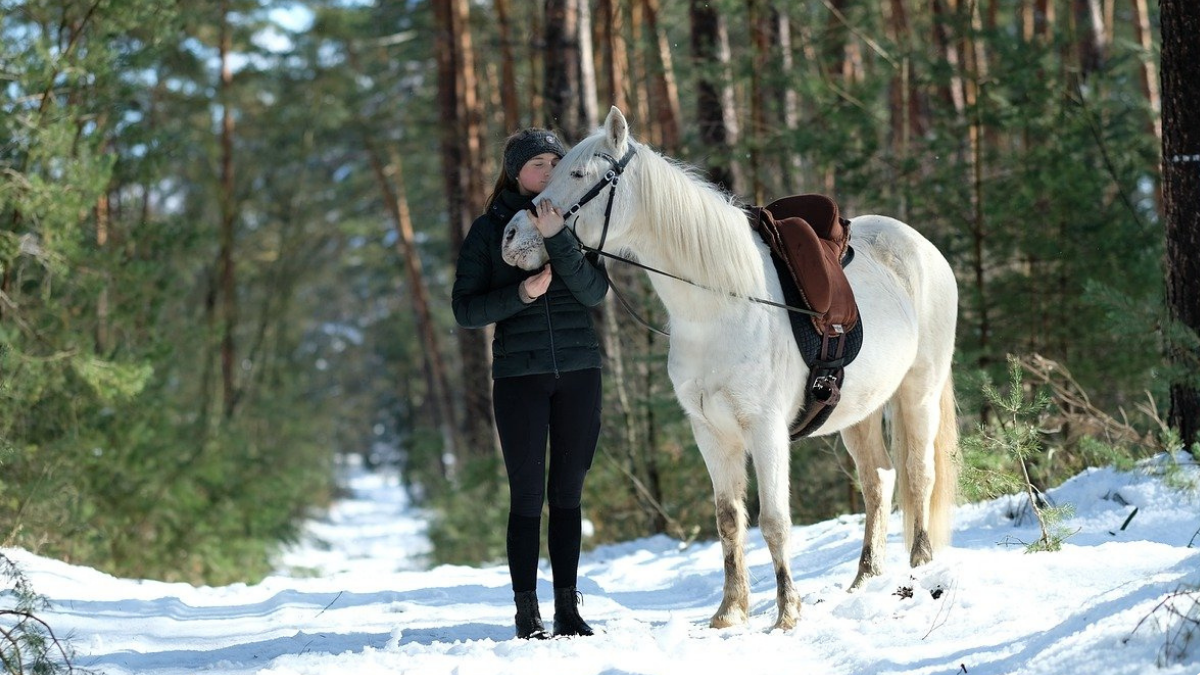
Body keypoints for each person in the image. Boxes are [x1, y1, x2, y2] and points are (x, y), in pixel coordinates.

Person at [451, 128, 609, 639]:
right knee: (526, 497)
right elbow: (465, 309)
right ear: (516, 172)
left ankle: (567, 608)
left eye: (555, 162)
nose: (548, 171)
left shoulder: (579, 221)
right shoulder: (488, 228)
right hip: (520, 378)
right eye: (538, 163)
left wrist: (558, 235)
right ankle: (527, 611)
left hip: (579, 374)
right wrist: (519, 294)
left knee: (568, 494)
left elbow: (592, 292)